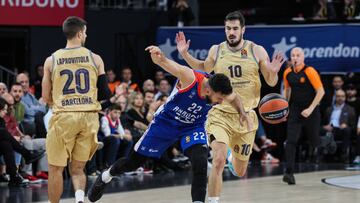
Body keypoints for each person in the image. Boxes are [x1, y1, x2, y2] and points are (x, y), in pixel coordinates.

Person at [87, 45, 251, 203]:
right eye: (219, 99)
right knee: (133, 163)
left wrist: (242, 113)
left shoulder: (219, 89)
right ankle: (106, 176)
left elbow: (233, 97)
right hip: (165, 123)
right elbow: (167, 64)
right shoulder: (190, 78)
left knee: (200, 162)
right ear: (209, 90)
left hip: (192, 126)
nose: (221, 102)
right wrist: (159, 57)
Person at [176, 10, 284, 202]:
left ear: (243, 29)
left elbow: (271, 80)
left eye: (235, 28)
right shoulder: (216, 50)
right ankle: (213, 200)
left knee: (240, 171)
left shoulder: (256, 50)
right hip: (220, 114)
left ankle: (232, 158)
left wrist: (274, 72)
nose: (231, 32)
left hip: (246, 118)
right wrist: (185, 54)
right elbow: (202, 68)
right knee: (217, 160)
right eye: (228, 28)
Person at [42, 16, 111, 203]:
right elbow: (105, 93)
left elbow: (45, 96)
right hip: (89, 117)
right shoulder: (95, 58)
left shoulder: (51, 60)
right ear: (80, 33)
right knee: (78, 168)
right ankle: (79, 199)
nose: (86, 35)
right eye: (85, 32)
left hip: (64, 116)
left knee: (55, 168)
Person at [283, 47, 325, 185]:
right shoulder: (287, 73)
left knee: (314, 142)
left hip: (311, 110)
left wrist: (310, 109)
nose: (295, 58)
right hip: (295, 110)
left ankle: (328, 141)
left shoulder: (310, 71)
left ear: (303, 57)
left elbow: (321, 92)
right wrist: (284, 109)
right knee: (291, 141)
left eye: (298, 55)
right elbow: (287, 91)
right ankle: (289, 173)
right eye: (293, 55)